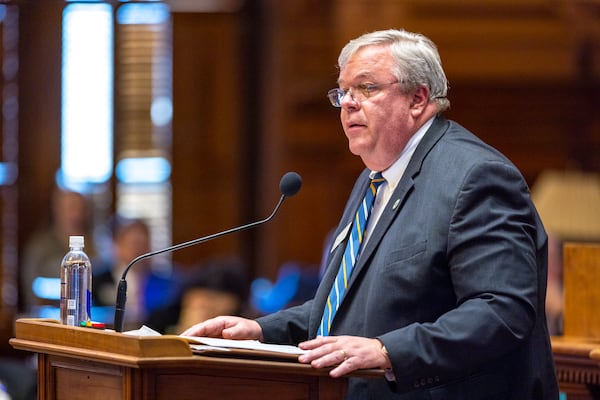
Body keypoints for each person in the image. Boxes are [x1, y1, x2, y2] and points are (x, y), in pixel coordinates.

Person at [182, 29, 559, 399]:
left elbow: (501, 311)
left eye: (367, 88)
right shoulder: (373, 178)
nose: (348, 102)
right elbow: (347, 307)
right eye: (343, 91)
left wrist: (387, 352)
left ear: (418, 98)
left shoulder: (474, 176)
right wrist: (260, 331)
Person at [20, 187, 95, 311]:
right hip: (51, 316)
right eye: (71, 208)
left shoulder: (96, 244)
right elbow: (31, 289)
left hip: (89, 315)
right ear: (57, 210)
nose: (77, 215)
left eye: (81, 209)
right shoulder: (40, 246)